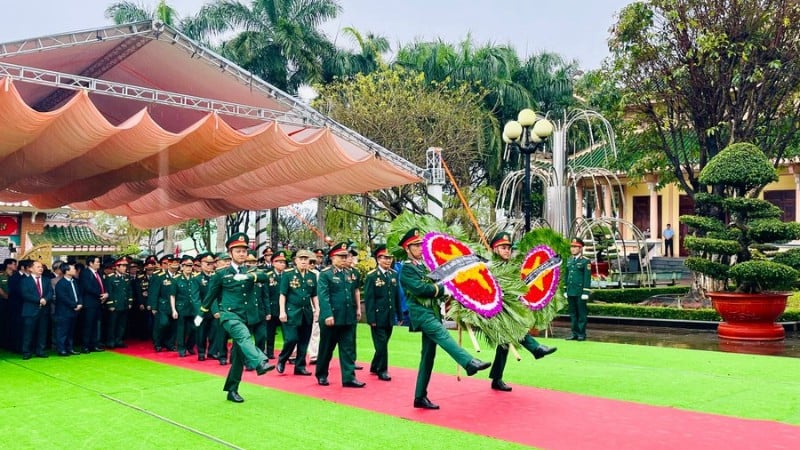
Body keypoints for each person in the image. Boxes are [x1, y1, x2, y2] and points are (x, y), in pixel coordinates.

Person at [398, 228, 491, 410]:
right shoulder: (407, 270)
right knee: (443, 335)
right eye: (415, 245)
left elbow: (437, 283)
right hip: (421, 314)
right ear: (407, 249)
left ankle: (420, 396)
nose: (420, 247)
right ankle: (469, 362)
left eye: (420, 244)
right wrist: (443, 289)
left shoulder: (424, 266)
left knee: (428, 357)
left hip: (433, 312)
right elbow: (421, 289)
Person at [199, 233, 275, 403]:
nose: (242, 254)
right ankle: (260, 362)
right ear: (230, 253)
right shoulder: (221, 274)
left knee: (239, 356)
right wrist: (200, 316)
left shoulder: (251, 270)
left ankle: (232, 390)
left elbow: (265, 277)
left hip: (249, 317)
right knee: (243, 336)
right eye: (238, 251)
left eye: (244, 251)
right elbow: (210, 297)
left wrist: (248, 276)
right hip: (230, 315)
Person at [487, 232, 556, 392]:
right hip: (495, 311)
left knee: (504, 345)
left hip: (509, 309)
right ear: (495, 249)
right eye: (503, 248)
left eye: (508, 248)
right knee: (513, 331)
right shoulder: (489, 267)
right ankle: (536, 349)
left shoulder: (510, 266)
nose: (507, 251)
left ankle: (496, 379)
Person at [315, 242, 364, 387]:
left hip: (347, 317)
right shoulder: (326, 274)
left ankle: (349, 378)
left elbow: (353, 293)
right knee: (326, 348)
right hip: (332, 317)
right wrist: (328, 314)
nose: (344, 259)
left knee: (348, 348)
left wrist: (357, 310)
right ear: (332, 257)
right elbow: (323, 296)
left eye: (345, 256)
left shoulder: (349, 273)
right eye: (341, 256)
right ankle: (321, 374)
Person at [276, 249, 318, 377]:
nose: (304, 261)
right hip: (292, 312)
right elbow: (282, 294)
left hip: (307, 312)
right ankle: (282, 359)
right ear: (296, 260)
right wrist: (282, 311)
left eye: (306, 259)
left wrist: (318, 309)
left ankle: (300, 366)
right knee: (291, 338)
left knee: (304, 341)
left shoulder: (312, 276)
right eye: (301, 259)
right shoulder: (288, 274)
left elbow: (314, 295)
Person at [363, 244, 401, 381]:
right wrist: (371, 318)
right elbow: (369, 299)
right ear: (378, 259)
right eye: (384, 258)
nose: (388, 260)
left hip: (389, 315)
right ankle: (382, 370)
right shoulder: (372, 276)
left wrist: (399, 314)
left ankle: (374, 366)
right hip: (378, 316)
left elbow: (396, 296)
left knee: (383, 343)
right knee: (382, 344)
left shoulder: (393, 274)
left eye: (389, 258)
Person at [20, 261, 53, 359]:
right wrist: (39, 300)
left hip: (44, 310)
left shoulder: (47, 280)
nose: (41, 268)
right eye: (38, 267)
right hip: (30, 310)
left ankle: (40, 350)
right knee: (28, 332)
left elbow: (50, 292)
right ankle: (26, 351)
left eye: (41, 267)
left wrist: (45, 299)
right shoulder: (25, 281)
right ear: (30, 269)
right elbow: (25, 294)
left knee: (42, 332)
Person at [171, 255, 200, 357]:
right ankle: (181, 348)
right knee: (181, 329)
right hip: (181, 307)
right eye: (186, 265)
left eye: (190, 265)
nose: (189, 268)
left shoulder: (196, 278)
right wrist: (174, 310)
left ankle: (190, 346)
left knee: (195, 327)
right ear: (182, 266)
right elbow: (172, 295)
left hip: (194, 307)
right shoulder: (176, 279)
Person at [565, 238, 592, 341]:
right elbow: (567, 275)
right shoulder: (569, 260)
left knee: (581, 313)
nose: (573, 249)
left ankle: (581, 333)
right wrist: (565, 289)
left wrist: (586, 292)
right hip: (571, 291)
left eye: (575, 247)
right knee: (573, 313)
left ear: (580, 248)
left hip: (580, 292)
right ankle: (574, 333)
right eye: (572, 247)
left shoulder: (585, 261)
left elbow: (587, 277)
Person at [80, 255, 107, 353]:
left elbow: (103, 285)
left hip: (98, 302)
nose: (99, 263)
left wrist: (106, 294)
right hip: (89, 303)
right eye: (97, 262)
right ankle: (85, 346)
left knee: (96, 324)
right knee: (88, 325)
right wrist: (101, 294)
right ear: (91, 263)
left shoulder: (98, 272)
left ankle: (94, 344)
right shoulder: (85, 273)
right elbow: (88, 287)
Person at [54, 262, 82, 356]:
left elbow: (78, 294)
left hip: (74, 310)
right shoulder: (61, 283)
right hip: (64, 311)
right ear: (66, 271)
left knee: (71, 331)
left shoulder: (74, 281)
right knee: (62, 331)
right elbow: (63, 298)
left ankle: (70, 348)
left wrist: (80, 303)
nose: (75, 270)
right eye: (73, 268)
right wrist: (75, 305)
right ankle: (61, 349)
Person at [263, 250, 287, 360]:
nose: (282, 264)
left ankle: (287, 354)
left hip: (285, 309)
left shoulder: (287, 275)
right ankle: (269, 352)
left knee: (287, 334)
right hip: (272, 308)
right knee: (270, 332)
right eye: (279, 262)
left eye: (283, 262)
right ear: (273, 263)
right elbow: (266, 295)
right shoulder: (268, 276)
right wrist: (267, 311)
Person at [104, 257, 133, 349]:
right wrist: (111, 304)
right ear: (117, 267)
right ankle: (111, 341)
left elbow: (129, 290)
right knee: (112, 324)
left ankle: (119, 340)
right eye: (122, 266)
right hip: (115, 305)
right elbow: (109, 291)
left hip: (124, 304)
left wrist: (130, 301)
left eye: (125, 266)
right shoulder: (110, 278)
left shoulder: (127, 277)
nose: (125, 268)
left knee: (122, 324)